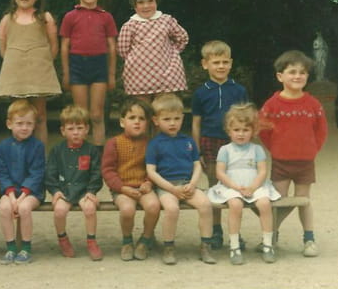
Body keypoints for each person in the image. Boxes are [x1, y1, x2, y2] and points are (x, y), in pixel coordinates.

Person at [258, 50, 328, 257]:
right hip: (281, 162)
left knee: (303, 201)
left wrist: (312, 149)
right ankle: (271, 237)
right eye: (292, 72)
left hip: (305, 162)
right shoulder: (272, 104)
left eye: (302, 72)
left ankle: (309, 239)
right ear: (280, 76)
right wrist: (276, 149)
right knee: (278, 201)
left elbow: (321, 130)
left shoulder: (313, 104)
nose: (298, 76)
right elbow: (263, 129)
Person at [190, 40, 249, 250]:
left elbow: (247, 120)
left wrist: (246, 146)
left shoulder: (239, 90)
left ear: (231, 63)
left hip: (234, 144)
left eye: (225, 62)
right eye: (216, 62)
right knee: (216, 187)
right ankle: (216, 230)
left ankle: (236, 232)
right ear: (205, 64)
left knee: (235, 188)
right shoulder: (200, 93)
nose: (221, 66)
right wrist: (196, 151)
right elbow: (196, 123)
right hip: (210, 141)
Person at [145, 93, 214, 265]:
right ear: (156, 120)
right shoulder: (154, 144)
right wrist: (171, 189)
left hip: (186, 185)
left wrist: (193, 183)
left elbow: (197, 164)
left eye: (176, 118)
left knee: (206, 205)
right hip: (166, 187)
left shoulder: (188, 141)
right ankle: (169, 247)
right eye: (167, 119)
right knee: (172, 209)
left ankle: (206, 246)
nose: (172, 123)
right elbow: (151, 172)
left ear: (183, 118)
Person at [207, 104, 280, 265]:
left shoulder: (257, 149)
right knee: (235, 204)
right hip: (231, 186)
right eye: (236, 130)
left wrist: (253, 187)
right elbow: (220, 173)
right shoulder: (225, 150)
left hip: (254, 185)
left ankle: (268, 244)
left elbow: (262, 171)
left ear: (253, 131)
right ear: (229, 130)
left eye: (246, 130)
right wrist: (235, 187)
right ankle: (234, 246)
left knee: (264, 204)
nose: (241, 134)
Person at [0, 0, 60, 145]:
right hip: (16, 76)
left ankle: (39, 157)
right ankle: (20, 156)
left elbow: (53, 47)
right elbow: (3, 51)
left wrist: (41, 64)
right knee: (19, 116)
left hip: (39, 75)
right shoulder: (6, 19)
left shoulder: (45, 18)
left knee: (40, 116)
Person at [59, 0, 117, 146]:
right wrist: (66, 74)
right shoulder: (70, 17)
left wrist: (111, 74)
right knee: (81, 115)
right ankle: (80, 153)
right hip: (77, 65)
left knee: (97, 114)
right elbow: (64, 47)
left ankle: (98, 153)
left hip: (99, 66)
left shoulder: (106, 17)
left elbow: (112, 47)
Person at [101, 98, 160, 261]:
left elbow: (155, 167)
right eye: (132, 118)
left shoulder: (151, 144)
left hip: (144, 186)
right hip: (122, 188)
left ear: (147, 123)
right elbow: (108, 171)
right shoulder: (113, 143)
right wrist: (122, 188)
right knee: (127, 209)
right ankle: (127, 241)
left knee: (154, 206)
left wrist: (149, 182)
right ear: (122, 122)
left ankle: (146, 239)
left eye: (141, 118)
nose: (137, 122)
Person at [45, 104, 104, 260]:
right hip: (64, 191)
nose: (76, 132)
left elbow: (96, 173)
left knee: (90, 209)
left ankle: (91, 241)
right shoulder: (57, 151)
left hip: (84, 191)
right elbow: (50, 173)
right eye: (71, 129)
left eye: (80, 128)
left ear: (87, 129)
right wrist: (55, 191)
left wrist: (91, 191)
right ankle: (62, 239)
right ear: (63, 131)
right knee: (59, 210)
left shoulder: (92, 150)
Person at [117, 0, 189, 102]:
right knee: (143, 108)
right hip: (139, 76)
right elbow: (123, 50)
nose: (146, 6)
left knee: (164, 108)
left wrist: (172, 53)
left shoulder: (166, 20)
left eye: (150, 1)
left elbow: (182, 38)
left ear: (157, 0)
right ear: (134, 4)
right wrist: (137, 60)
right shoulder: (129, 26)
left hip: (167, 75)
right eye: (141, 2)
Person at [0, 100, 46, 265]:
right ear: (9, 124)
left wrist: (22, 196)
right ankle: (10, 248)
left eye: (29, 124)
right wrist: (11, 197)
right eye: (19, 123)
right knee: (4, 207)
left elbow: (36, 174)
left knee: (24, 208)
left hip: (32, 192)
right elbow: (3, 174)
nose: (24, 128)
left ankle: (25, 248)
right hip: (10, 191)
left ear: (34, 125)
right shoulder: (3, 147)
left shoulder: (38, 146)